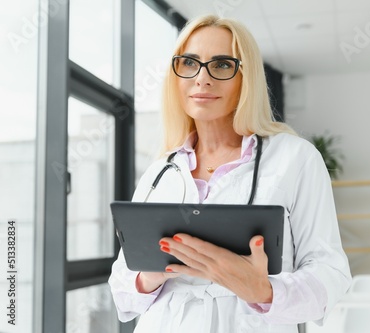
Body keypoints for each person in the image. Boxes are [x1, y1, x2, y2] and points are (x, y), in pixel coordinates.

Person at [108, 14, 351, 333]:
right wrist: (154, 271)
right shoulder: (161, 171)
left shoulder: (295, 158)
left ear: (245, 78)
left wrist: (263, 291)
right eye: (189, 63)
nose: (202, 78)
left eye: (221, 65)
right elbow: (122, 289)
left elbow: (331, 274)